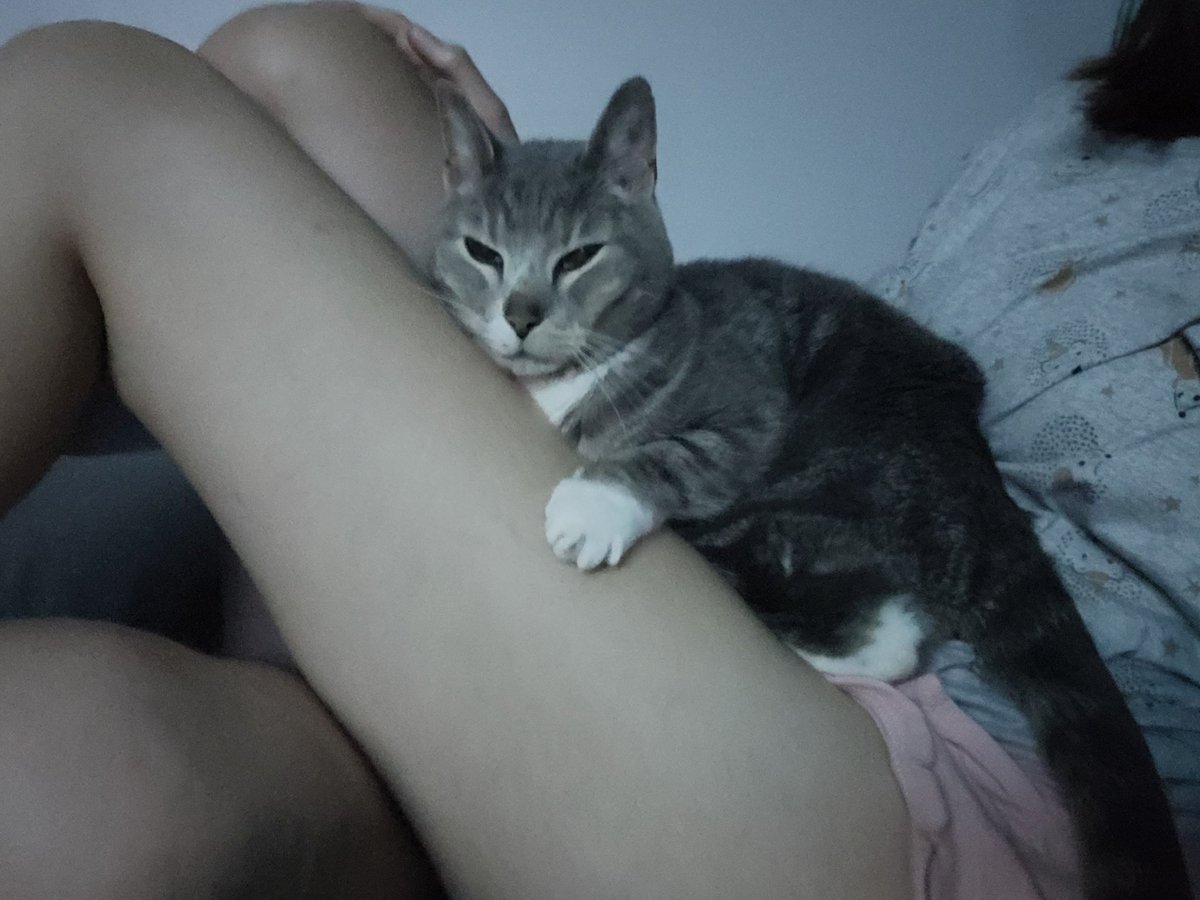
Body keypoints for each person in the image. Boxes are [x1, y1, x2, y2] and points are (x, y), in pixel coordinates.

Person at [0, 2, 1194, 898]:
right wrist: (531, 206)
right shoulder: (1073, 123)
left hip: (974, 772)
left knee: (83, 93)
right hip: (739, 598)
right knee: (305, 53)